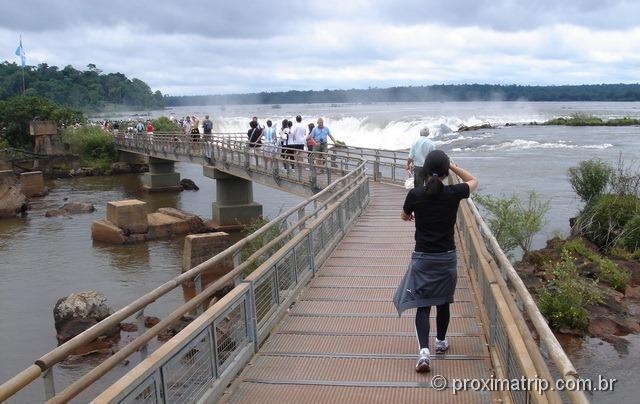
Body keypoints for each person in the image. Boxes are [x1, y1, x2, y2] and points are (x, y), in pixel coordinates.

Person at [395, 150, 478, 374]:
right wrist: (452, 166)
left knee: (423, 304)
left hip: (423, 258)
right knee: (443, 301)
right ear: (444, 170)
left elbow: (403, 216)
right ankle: (441, 342)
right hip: (446, 257)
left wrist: (412, 215)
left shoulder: (416, 194)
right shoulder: (454, 192)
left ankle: (424, 351)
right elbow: (473, 180)